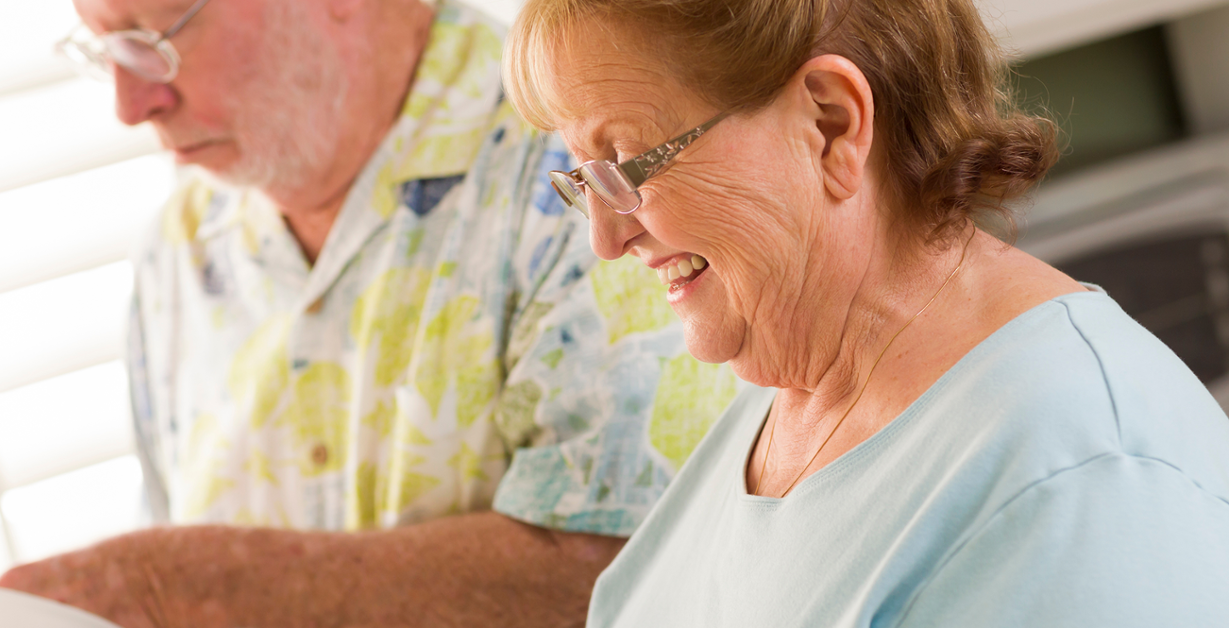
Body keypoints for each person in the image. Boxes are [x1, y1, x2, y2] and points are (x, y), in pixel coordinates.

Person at [0, 0, 739, 625]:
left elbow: (638, 577)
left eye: (155, 39)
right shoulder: (177, 250)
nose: (130, 104)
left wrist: (191, 586)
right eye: (104, 51)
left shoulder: (585, 175)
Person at [501, 0, 1229, 626]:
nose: (605, 237)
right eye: (581, 179)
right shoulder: (780, 401)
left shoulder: (1085, 481)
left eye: (625, 165)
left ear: (830, 123)